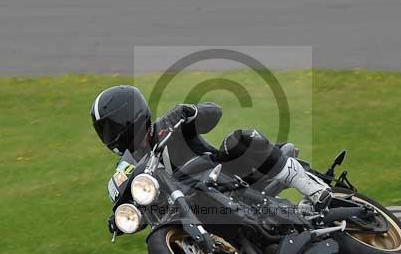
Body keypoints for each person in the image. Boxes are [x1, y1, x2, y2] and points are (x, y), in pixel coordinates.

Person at [90, 85, 332, 211]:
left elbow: (215, 113)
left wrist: (191, 112)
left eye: (112, 128)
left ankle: (312, 188)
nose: (110, 136)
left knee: (238, 140)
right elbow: (126, 203)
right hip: (190, 211)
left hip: (229, 177)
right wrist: (118, 217)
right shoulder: (126, 169)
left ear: (129, 116)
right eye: (104, 131)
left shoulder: (169, 124)